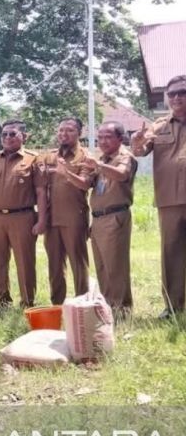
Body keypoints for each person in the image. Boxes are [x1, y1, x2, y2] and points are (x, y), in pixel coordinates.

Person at [0, 119, 47, 311]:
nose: (7, 138)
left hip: (22, 217)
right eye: (4, 134)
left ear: (24, 136)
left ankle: (27, 301)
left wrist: (42, 220)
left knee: (25, 261)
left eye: (12, 134)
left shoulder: (33, 159)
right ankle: (2, 299)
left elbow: (40, 192)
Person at [132, 75, 186, 318]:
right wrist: (136, 142)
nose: (176, 97)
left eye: (182, 92)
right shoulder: (159, 126)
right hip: (170, 199)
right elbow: (140, 151)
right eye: (172, 93)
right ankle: (173, 306)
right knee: (171, 252)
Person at [75, 122, 136, 314]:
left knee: (115, 266)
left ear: (120, 138)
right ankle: (109, 305)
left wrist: (98, 165)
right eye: (100, 137)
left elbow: (121, 175)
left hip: (115, 216)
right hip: (99, 219)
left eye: (108, 137)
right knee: (102, 266)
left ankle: (121, 309)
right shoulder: (103, 159)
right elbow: (86, 185)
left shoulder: (124, 157)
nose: (103, 141)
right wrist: (66, 173)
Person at [40, 117, 92, 304]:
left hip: (73, 218)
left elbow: (86, 185)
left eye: (69, 130)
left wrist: (67, 173)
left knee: (78, 264)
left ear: (79, 133)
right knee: (54, 264)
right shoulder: (50, 157)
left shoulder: (85, 156)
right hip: (52, 219)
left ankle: (82, 304)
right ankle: (57, 304)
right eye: (61, 130)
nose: (64, 134)